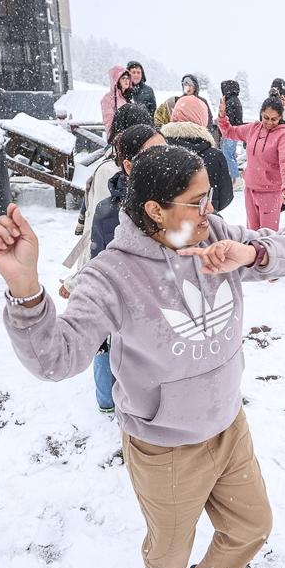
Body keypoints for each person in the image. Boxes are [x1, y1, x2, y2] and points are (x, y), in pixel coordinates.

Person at [0, 144, 285, 568]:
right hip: (163, 443)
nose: (209, 211)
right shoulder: (111, 275)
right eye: (197, 200)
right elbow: (55, 359)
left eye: (209, 198)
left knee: (253, 525)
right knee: (168, 549)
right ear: (154, 210)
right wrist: (27, 290)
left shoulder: (218, 236)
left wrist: (251, 253)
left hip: (229, 425)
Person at [87, 125, 167, 413]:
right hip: (131, 314)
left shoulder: (176, 201)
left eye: (165, 149)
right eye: (154, 153)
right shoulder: (111, 212)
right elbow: (100, 264)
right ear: (129, 165)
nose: (164, 159)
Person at [64, 102, 153, 281]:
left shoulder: (114, 164)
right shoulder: (112, 171)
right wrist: (82, 276)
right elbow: (102, 224)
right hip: (109, 265)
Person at [219, 96, 285, 231]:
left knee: (267, 237)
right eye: (266, 117)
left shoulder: (283, 136)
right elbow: (229, 131)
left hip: (270, 193)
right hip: (250, 189)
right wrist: (222, 116)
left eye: (274, 119)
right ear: (261, 113)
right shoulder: (253, 128)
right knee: (251, 234)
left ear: (280, 117)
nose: (269, 122)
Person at [160, 95, 234, 212]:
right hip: (205, 222)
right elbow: (226, 197)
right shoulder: (214, 156)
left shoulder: (159, 151)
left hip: (167, 225)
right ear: (203, 118)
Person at [219, 79, 243, 183]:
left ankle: (235, 178)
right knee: (231, 156)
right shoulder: (236, 100)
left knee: (227, 156)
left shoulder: (230, 102)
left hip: (230, 133)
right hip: (235, 133)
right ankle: (234, 178)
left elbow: (229, 119)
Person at [100, 66, 133, 139]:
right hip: (116, 135)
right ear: (117, 80)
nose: (126, 80)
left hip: (129, 134)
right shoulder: (108, 98)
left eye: (128, 78)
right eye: (123, 78)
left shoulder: (128, 98)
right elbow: (109, 121)